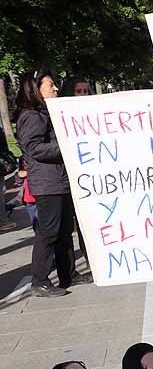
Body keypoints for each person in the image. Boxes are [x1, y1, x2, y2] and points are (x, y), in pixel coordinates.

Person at [16, 72, 82, 297]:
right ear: (35, 89)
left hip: (58, 180)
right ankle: (40, 280)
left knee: (64, 231)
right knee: (48, 232)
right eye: (50, 85)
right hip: (47, 183)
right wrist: (64, 145)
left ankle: (68, 274)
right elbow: (34, 149)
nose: (55, 89)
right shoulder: (32, 116)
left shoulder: (45, 113)